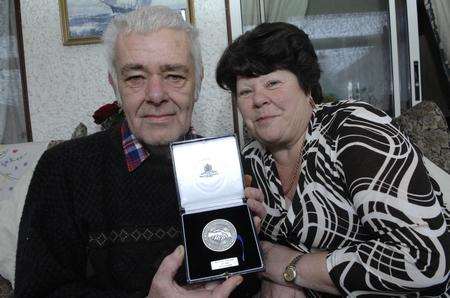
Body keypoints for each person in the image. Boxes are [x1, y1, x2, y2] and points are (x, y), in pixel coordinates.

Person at [14, 6, 245, 297]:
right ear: (115, 86)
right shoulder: (63, 170)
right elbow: (37, 292)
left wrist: (252, 241)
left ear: (197, 84)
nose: (156, 95)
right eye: (136, 77)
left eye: (174, 75)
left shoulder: (231, 165)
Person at [216, 22, 450, 297]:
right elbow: (233, 254)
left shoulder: (354, 131)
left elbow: (424, 264)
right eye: (245, 91)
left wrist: (288, 269)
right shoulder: (249, 162)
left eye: (272, 83)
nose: (259, 99)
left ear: (306, 88)